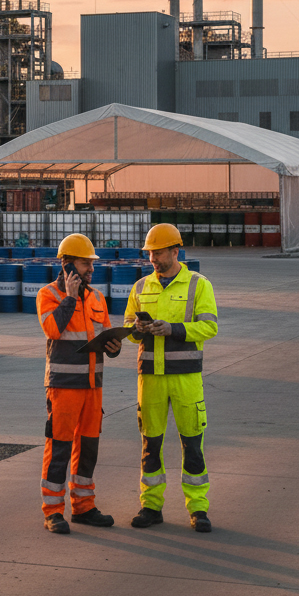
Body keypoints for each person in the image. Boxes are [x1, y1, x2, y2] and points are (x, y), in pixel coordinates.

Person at [125, 223, 219, 533]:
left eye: (157, 252)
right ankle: (151, 506)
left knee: (192, 444)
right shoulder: (140, 287)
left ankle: (198, 508)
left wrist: (174, 329)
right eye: (149, 253)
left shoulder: (198, 285)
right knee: (150, 444)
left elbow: (209, 327)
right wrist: (136, 331)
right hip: (150, 378)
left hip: (185, 379)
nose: (152, 258)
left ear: (175, 251)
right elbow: (128, 328)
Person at [37, 233, 123, 534]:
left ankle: (84, 507)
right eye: (86, 263)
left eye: (91, 263)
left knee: (88, 449)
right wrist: (71, 299)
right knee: (59, 447)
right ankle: (53, 512)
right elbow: (53, 329)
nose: (91, 269)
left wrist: (114, 347)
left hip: (93, 386)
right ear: (67, 265)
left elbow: (107, 334)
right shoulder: (48, 295)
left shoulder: (98, 298)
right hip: (63, 387)